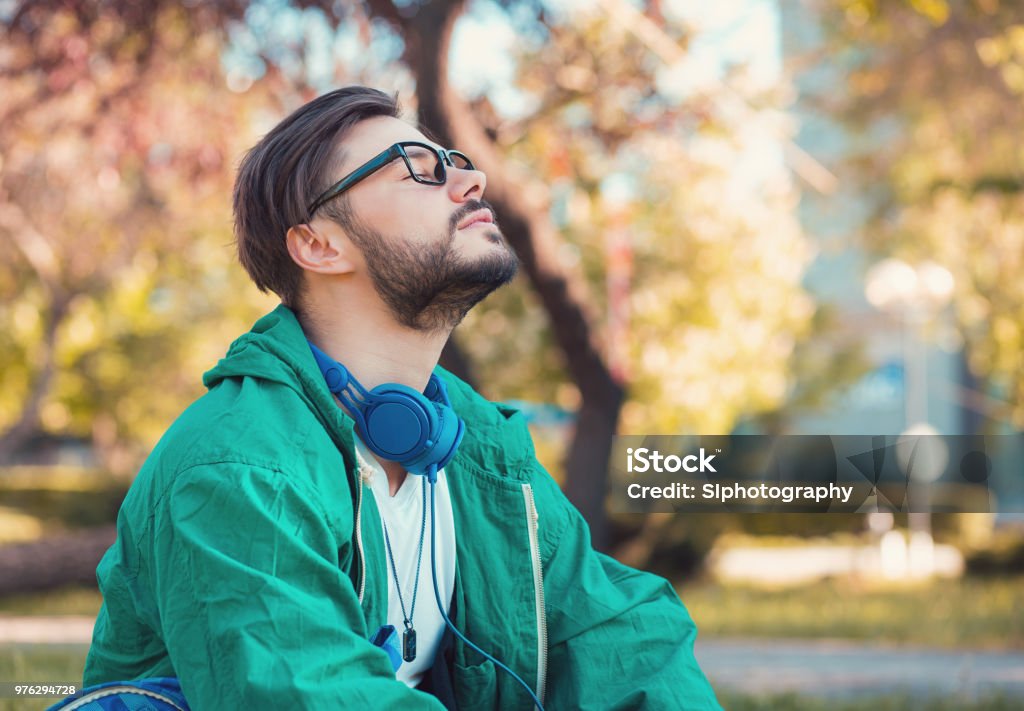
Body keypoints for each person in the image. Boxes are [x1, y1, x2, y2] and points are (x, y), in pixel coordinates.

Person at [78, 86, 722, 710]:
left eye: (457, 164)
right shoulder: (239, 465)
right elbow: (309, 695)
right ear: (318, 245)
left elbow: (623, 636)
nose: (471, 183)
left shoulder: (482, 449)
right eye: (416, 169)